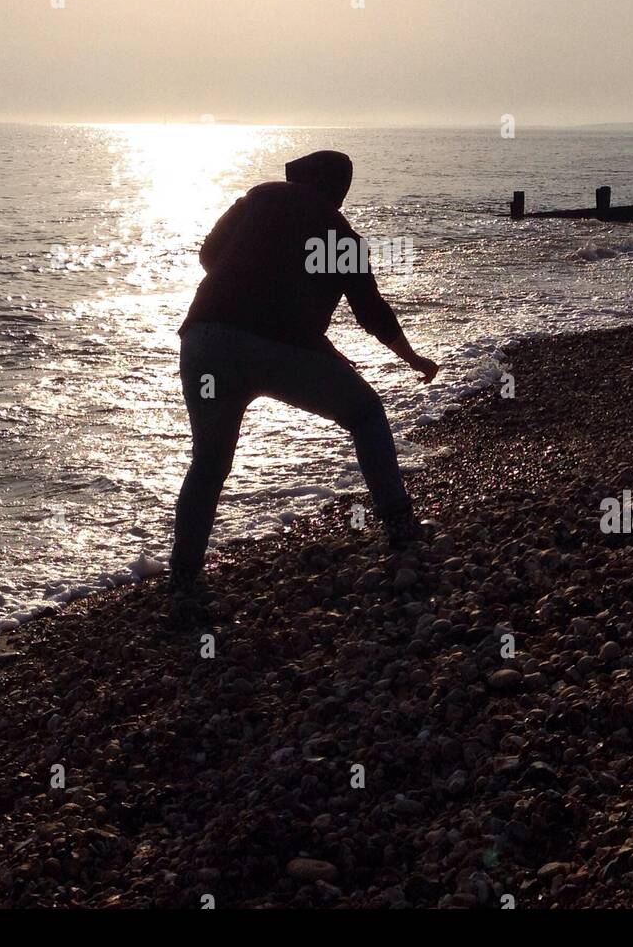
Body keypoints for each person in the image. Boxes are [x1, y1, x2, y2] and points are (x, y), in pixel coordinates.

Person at [169, 150, 437, 611]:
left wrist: (250, 287)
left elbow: (209, 255)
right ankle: (399, 526)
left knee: (209, 464)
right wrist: (411, 358)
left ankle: (183, 581)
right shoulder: (341, 235)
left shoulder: (256, 199)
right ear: (339, 190)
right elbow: (371, 312)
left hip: (205, 340)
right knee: (366, 413)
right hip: (281, 350)